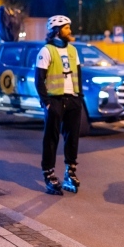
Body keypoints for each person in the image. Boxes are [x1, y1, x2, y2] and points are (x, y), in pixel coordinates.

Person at [35, 15, 83, 195]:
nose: (70, 31)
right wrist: (46, 103)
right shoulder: (46, 51)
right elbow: (39, 80)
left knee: (72, 138)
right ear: (57, 30)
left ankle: (70, 171)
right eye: (66, 28)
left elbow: (78, 74)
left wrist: (79, 97)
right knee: (51, 138)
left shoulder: (73, 50)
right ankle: (49, 173)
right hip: (55, 101)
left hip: (73, 100)